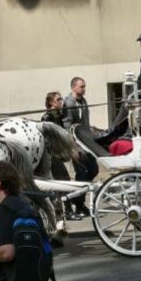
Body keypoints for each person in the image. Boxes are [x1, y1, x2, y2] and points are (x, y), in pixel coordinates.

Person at [61, 77, 98, 217]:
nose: (84, 89)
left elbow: (85, 122)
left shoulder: (83, 101)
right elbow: (67, 126)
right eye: (81, 86)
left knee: (94, 170)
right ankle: (80, 205)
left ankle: (77, 199)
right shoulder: (68, 103)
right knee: (81, 174)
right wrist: (72, 147)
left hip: (87, 143)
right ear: (73, 87)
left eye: (84, 86)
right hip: (76, 145)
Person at [42, 92, 80, 225]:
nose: (61, 101)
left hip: (57, 154)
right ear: (51, 103)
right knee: (63, 182)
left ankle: (68, 210)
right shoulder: (47, 117)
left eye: (61, 99)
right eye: (58, 99)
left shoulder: (59, 115)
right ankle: (68, 212)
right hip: (51, 156)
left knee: (63, 182)